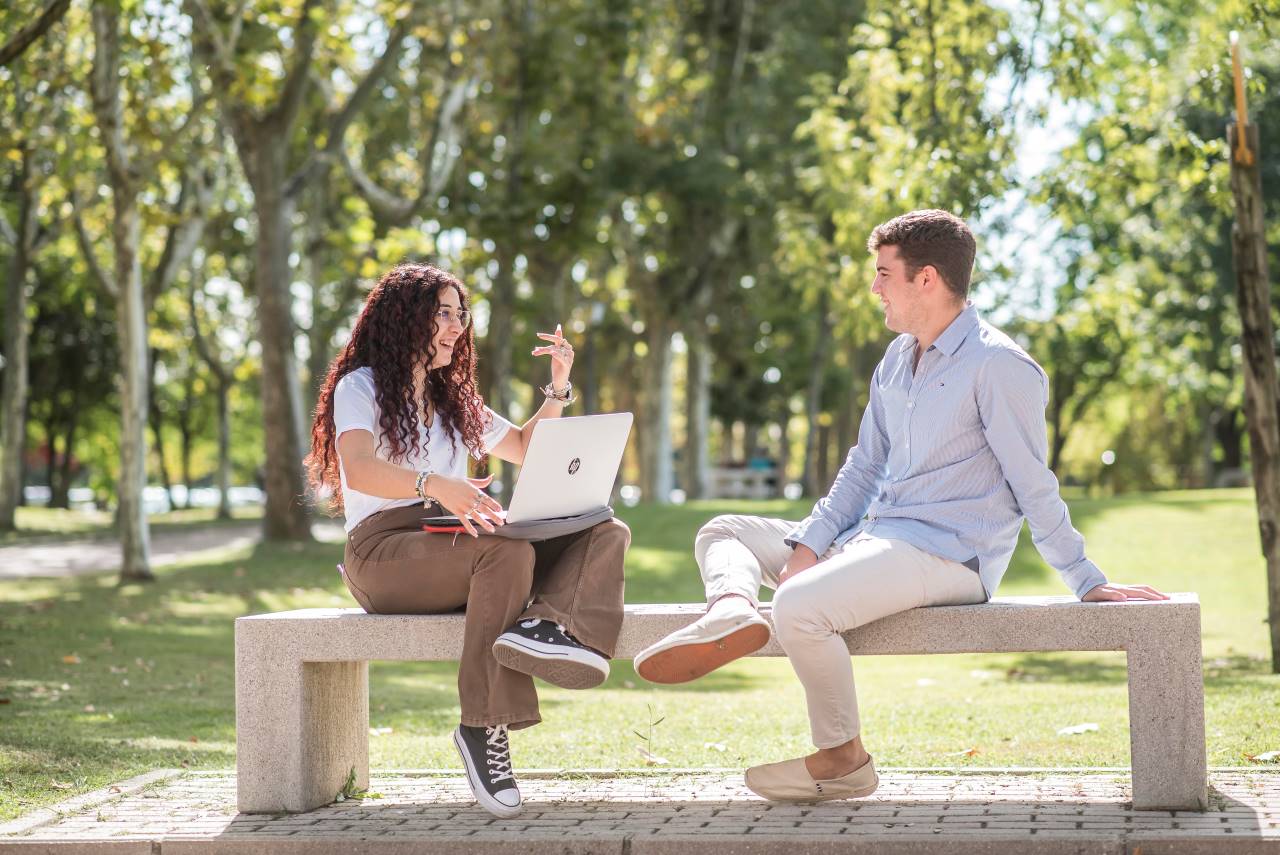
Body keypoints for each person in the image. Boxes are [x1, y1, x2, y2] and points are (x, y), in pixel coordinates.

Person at [632, 209, 1168, 803]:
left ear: (927, 279)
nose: (874, 285)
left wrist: (1085, 579)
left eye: (884, 272)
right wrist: (809, 543)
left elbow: (1032, 484)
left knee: (799, 606)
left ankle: (842, 758)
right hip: (879, 539)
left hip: (950, 556)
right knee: (724, 530)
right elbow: (864, 465)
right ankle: (732, 610)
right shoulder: (896, 359)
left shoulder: (1000, 366)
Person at [307, 262, 629, 819]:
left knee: (603, 528)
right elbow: (357, 468)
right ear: (405, 318)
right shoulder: (360, 387)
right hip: (382, 553)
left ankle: (543, 626)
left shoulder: (454, 399)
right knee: (504, 550)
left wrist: (558, 385)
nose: (457, 325)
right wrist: (438, 486)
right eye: (444, 313)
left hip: (460, 543)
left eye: (462, 313)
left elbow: (527, 447)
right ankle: (483, 728)